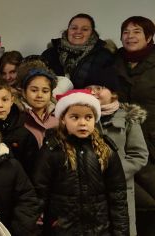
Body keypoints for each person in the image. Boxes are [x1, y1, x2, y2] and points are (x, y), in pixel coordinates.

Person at [32, 89, 129, 235]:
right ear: (63, 119)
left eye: (88, 117)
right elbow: (38, 195)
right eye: (75, 117)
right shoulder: (52, 150)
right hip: (62, 230)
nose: (82, 123)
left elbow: (118, 197)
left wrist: (121, 233)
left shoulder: (106, 150)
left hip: (100, 231)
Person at [85, 69, 148, 236]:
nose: (93, 92)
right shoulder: (83, 117)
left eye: (99, 87)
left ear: (113, 92)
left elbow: (139, 155)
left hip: (120, 189)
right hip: (89, 190)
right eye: (89, 88)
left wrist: (115, 173)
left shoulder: (127, 118)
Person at [112, 15, 155, 236]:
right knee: (129, 199)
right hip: (121, 137)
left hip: (152, 137)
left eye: (136, 31)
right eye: (126, 32)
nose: (130, 36)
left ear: (149, 36)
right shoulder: (113, 60)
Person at [0, 77, 39, 174]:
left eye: (4, 99)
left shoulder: (24, 134)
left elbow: (33, 171)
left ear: (12, 100)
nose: (0, 105)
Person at [41, 13, 115, 88]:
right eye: (74, 28)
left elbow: (109, 88)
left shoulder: (104, 56)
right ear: (68, 30)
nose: (78, 32)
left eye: (85, 29)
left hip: (90, 99)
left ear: (92, 33)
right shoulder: (50, 53)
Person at [19, 67, 58, 147]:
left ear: (51, 94)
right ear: (24, 93)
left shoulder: (57, 119)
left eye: (45, 91)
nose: (39, 95)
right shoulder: (18, 119)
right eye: (34, 90)